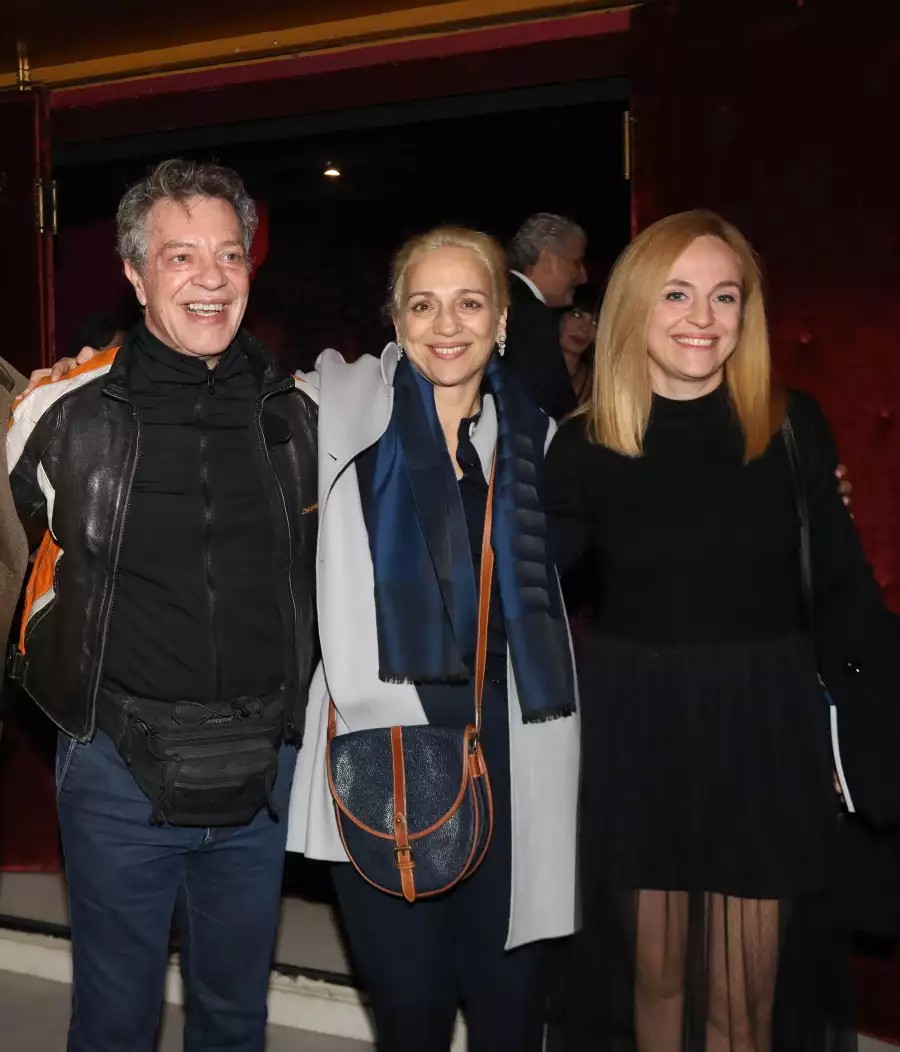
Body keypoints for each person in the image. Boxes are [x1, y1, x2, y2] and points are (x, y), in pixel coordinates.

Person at [543, 209, 896, 1051]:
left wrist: (869, 732)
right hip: (638, 730)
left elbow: (844, 593)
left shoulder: (793, 427)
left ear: (747, 312)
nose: (702, 317)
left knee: (744, 1006)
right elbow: (522, 588)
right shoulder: (586, 443)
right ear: (636, 305)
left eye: (724, 296)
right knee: (656, 985)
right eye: (676, 294)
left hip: (764, 728)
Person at [7, 158, 318, 1052]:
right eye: (181, 256)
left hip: (260, 770)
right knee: (114, 1023)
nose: (211, 278)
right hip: (114, 766)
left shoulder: (299, 414)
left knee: (235, 1019)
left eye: (230, 254)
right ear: (137, 275)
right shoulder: (58, 413)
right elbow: (16, 554)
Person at [287, 225, 581, 1052]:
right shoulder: (334, 415)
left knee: (510, 1016)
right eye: (423, 304)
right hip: (384, 752)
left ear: (501, 322)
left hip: (519, 754)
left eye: (469, 303)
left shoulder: (544, 444)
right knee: (409, 1016)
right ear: (396, 318)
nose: (446, 325)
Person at [504, 212, 587, 420]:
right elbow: (554, 405)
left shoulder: (502, 295)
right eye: (577, 263)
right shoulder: (531, 314)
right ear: (548, 260)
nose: (583, 277)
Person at [558, 283, 600, 404]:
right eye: (577, 315)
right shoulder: (529, 367)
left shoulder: (597, 384)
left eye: (595, 322)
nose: (585, 328)